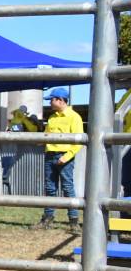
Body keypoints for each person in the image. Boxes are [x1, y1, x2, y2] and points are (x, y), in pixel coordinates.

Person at [32, 87, 84, 233]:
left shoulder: (74, 117)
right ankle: (47, 219)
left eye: (52, 100)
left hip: (64, 156)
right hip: (50, 155)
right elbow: (47, 135)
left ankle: (74, 222)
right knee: (50, 188)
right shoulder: (52, 117)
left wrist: (66, 157)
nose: (50, 103)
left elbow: (78, 141)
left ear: (60, 100)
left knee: (67, 187)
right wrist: (38, 139)